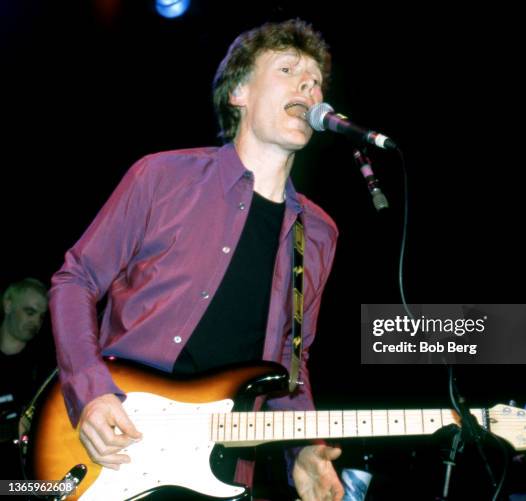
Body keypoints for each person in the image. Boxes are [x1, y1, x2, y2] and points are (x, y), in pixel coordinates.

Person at [50, 19, 344, 500]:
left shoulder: (318, 233)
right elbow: (75, 278)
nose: (308, 87)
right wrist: (92, 391)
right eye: (288, 70)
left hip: (222, 471)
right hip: (119, 440)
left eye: (315, 81)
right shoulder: (163, 176)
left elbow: (292, 363)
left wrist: (304, 449)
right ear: (239, 93)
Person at [0, 277, 49, 478]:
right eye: (30, 312)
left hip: (21, 477)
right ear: (8, 305)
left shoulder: (44, 365)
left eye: (41, 316)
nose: (36, 322)